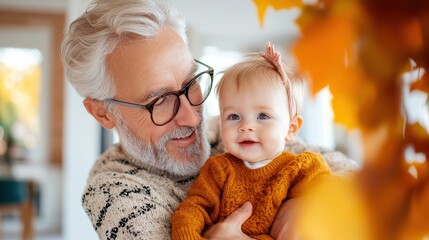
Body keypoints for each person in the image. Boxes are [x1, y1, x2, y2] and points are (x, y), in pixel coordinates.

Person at [61, 0, 358, 239]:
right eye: (159, 101)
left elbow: (362, 185)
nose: (192, 116)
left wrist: (306, 207)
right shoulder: (114, 193)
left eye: (191, 83)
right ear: (102, 112)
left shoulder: (233, 131)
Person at [171, 43, 331, 239]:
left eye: (262, 116)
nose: (246, 126)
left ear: (291, 128)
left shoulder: (301, 169)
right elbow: (193, 209)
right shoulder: (219, 170)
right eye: (234, 116)